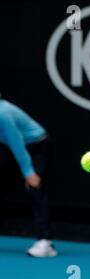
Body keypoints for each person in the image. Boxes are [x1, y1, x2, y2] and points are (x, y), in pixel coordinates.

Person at [0, 95, 57, 257]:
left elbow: (16, 142)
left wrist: (28, 172)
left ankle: (45, 243)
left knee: (35, 188)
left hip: (38, 146)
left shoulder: (2, 114)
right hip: (9, 147)